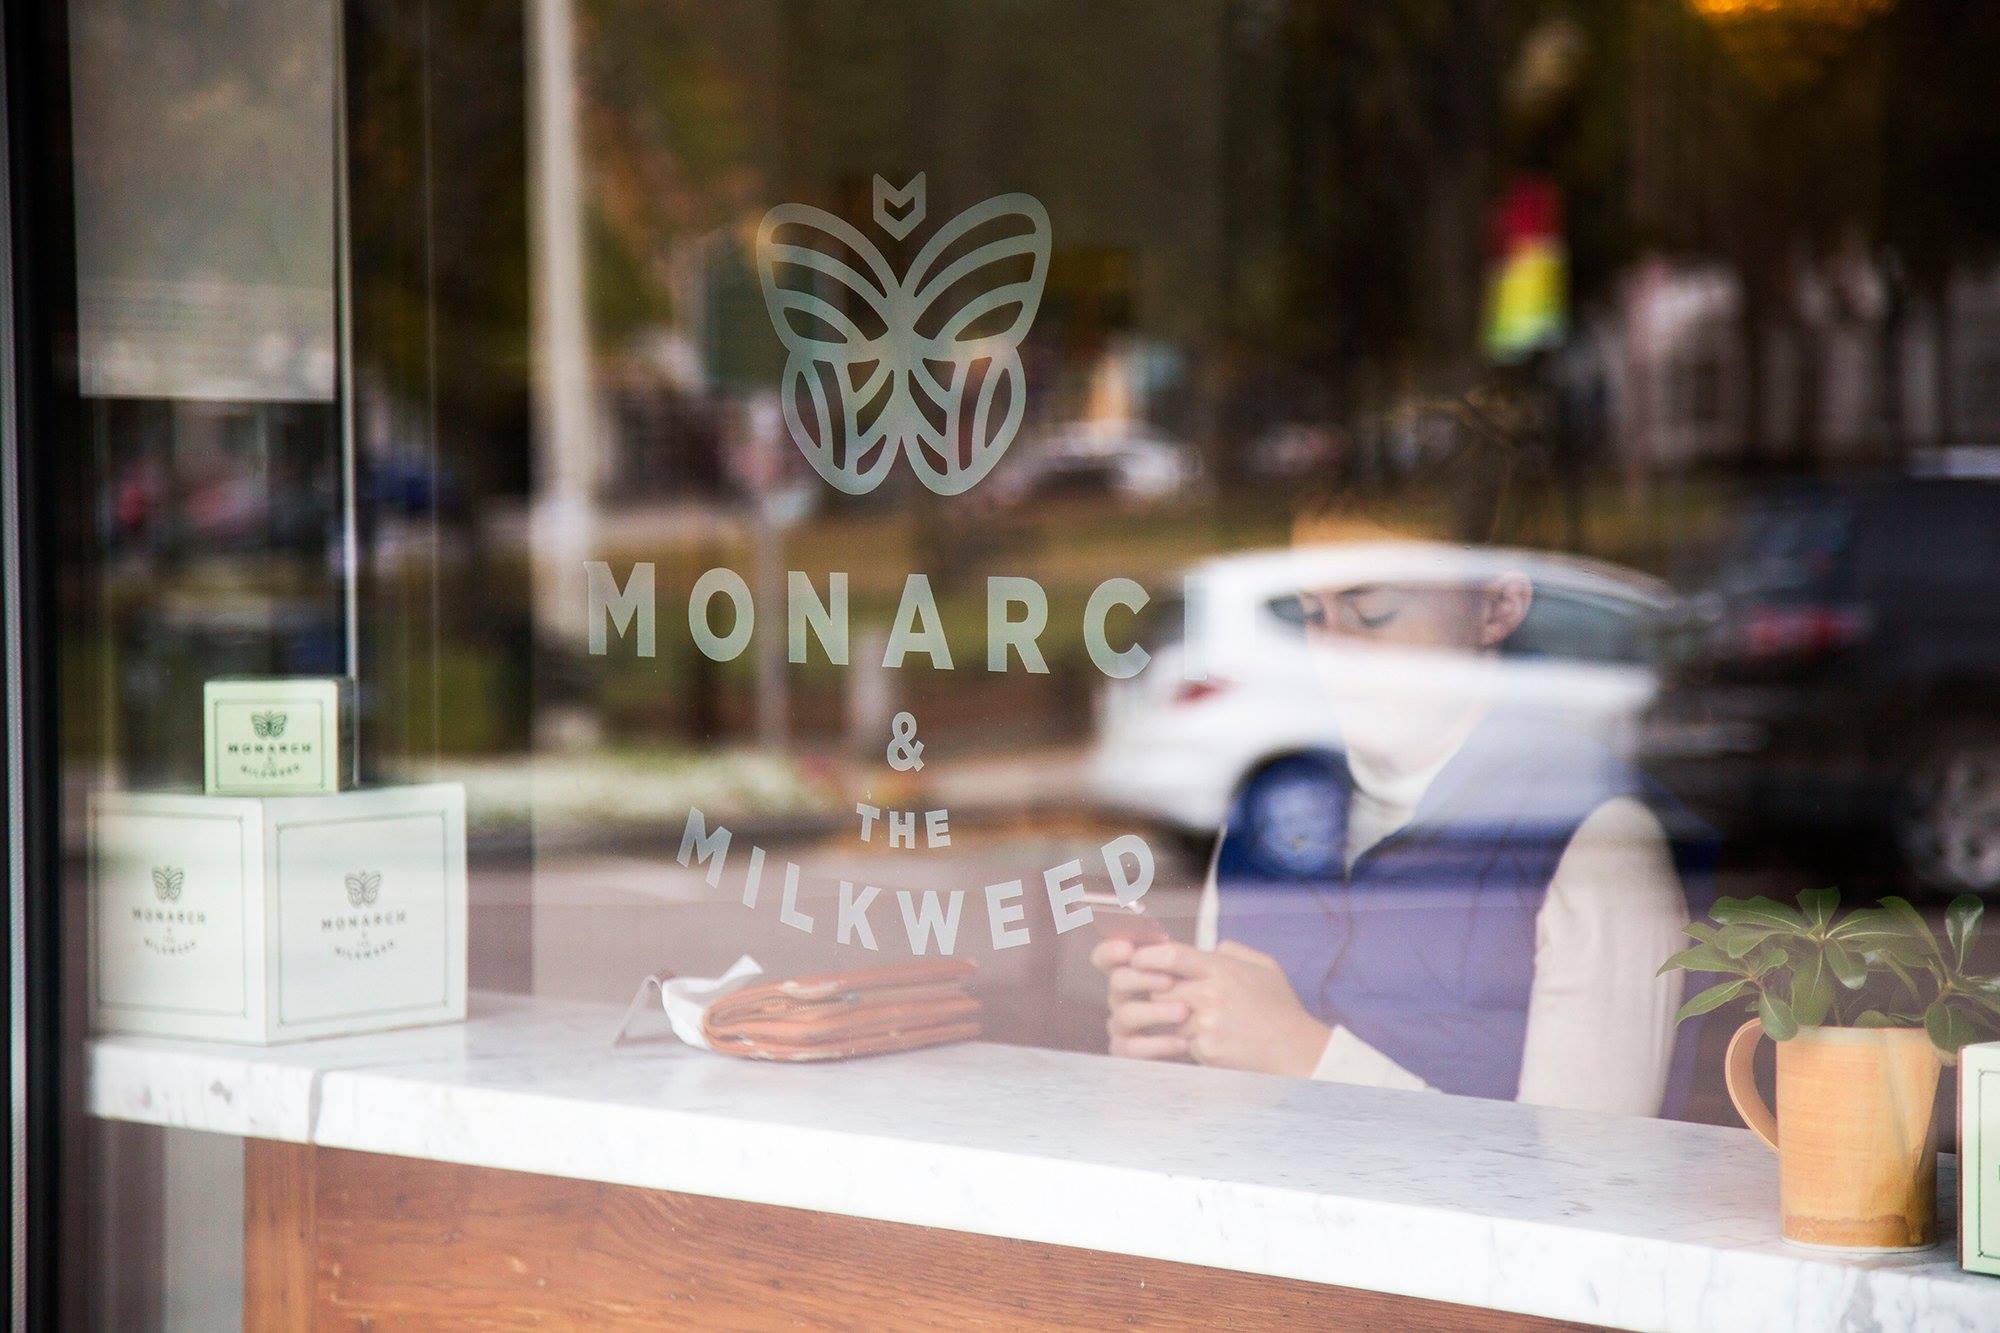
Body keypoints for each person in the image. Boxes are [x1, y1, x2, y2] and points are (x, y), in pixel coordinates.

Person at [1092, 547, 1711, 1116]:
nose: (1333, 648)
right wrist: (1172, 1054)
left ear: (1497, 608)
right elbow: (1220, 1112)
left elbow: (1586, 1175)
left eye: (1374, 614)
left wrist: (1302, 1054)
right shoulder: (1267, 809)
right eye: (1312, 616)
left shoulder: (1593, 835)